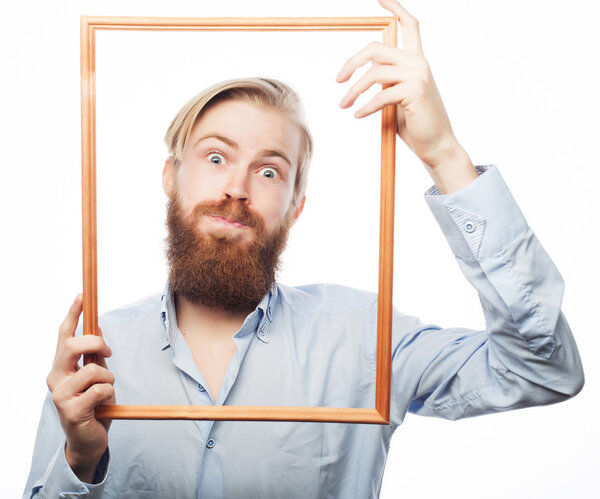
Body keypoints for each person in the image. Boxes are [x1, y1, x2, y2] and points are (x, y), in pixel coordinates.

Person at [24, 1, 584, 497]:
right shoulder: (96, 358)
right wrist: (81, 459)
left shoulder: (368, 338)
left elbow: (543, 368)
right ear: (170, 176)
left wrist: (443, 154)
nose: (236, 188)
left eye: (269, 170)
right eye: (216, 157)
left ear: (296, 205)